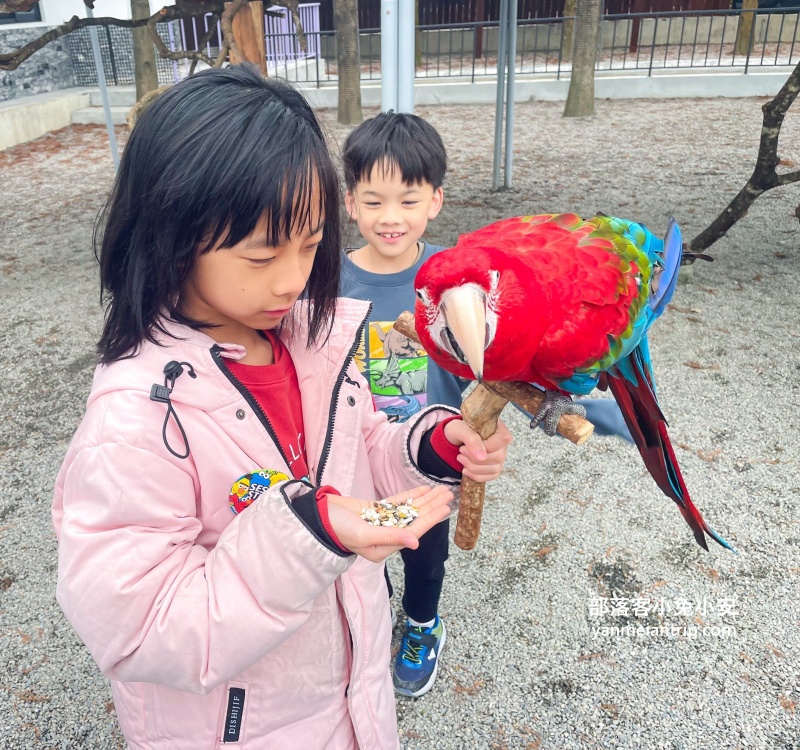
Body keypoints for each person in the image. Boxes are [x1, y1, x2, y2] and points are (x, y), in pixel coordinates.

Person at [51, 65, 512, 750]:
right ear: (170, 236)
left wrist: (427, 447)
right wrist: (312, 531)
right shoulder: (136, 423)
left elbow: (363, 448)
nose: (295, 278)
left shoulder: (312, 341)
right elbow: (139, 629)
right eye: (264, 253)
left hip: (353, 705)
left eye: (309, 244)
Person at [340, 112, 633, 699]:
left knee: (424, 551)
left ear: (436, 200)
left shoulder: (466, 281)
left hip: (438, 456)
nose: (390, 217)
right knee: (360, 552)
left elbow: (512, 371)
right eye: (373, 201)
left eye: (408, 198)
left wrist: (614, 418)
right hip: (355, 455)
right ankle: (369, 622)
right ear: (350, 203)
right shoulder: (328, 281)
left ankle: (423, 626)